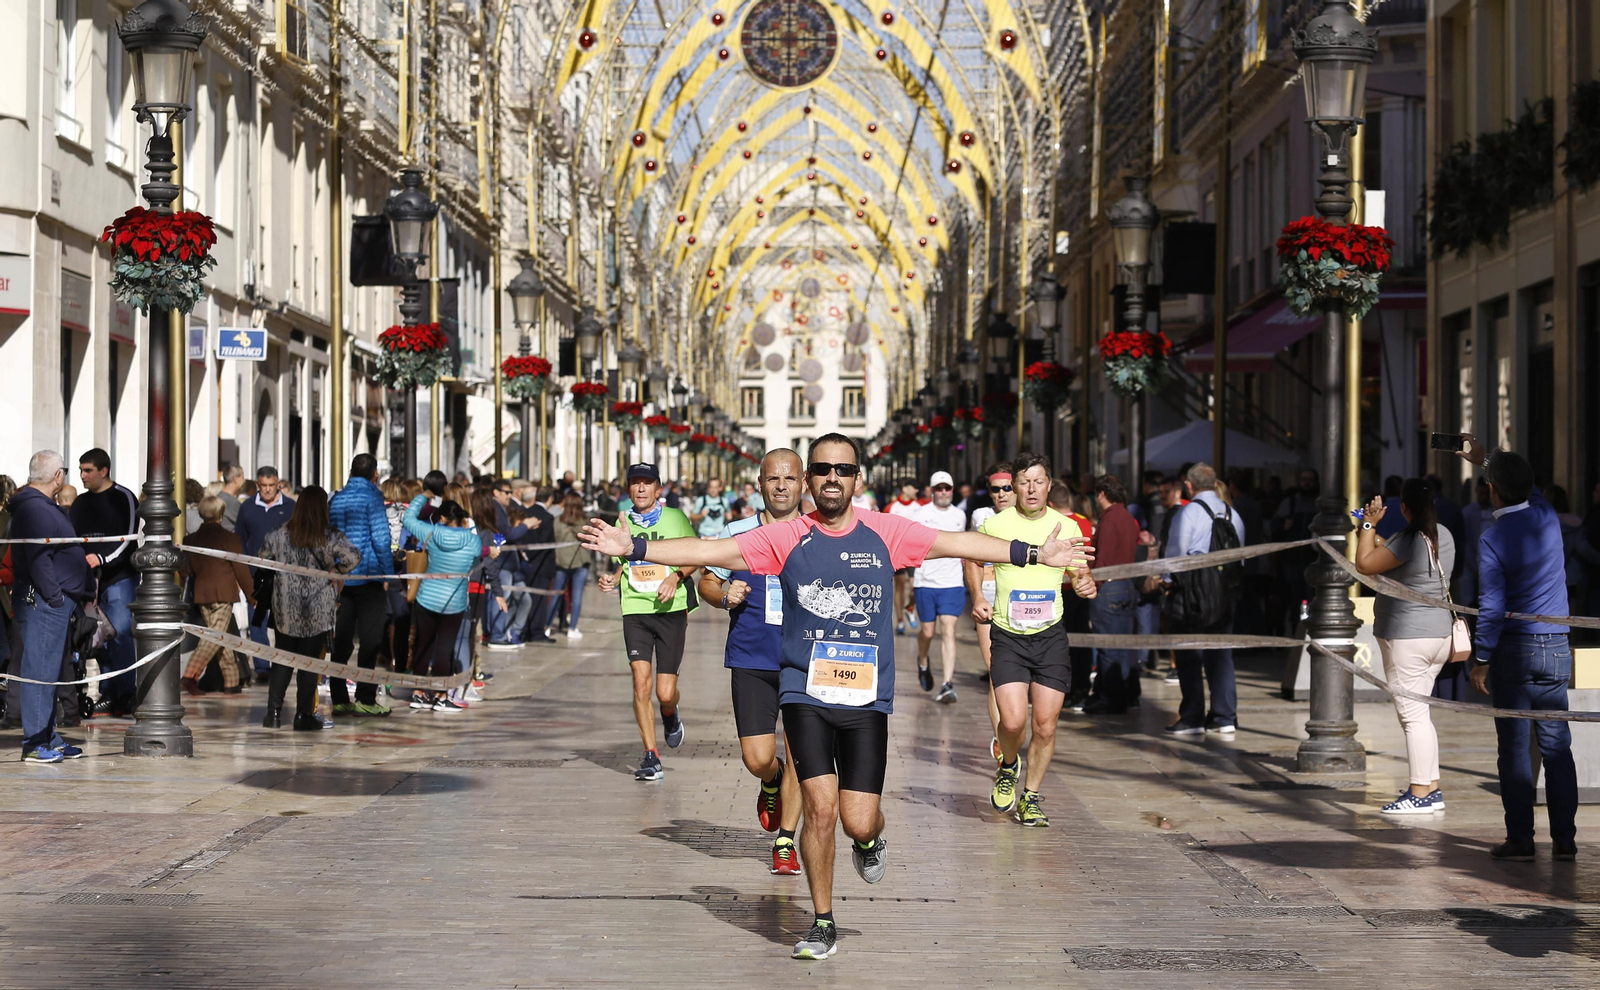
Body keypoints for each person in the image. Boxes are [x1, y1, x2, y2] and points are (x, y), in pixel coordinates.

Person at [577, 433, 1092, 961]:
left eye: (842, 470)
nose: (831, 479)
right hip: (805, 690)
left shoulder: (884, 532)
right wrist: (635, 548)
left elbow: (957, 543)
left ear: (857, 480)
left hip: (866, 700)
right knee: (820, 812)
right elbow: (710, 551)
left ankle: (870, 841)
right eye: (821, 469)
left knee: (856, 819)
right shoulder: (788, 536)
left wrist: (1035, 553)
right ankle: (822, 921)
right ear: (809, 480)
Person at [1462, 441, 1577, 862]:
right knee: (1556, 745)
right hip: (1555, 647)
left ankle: (1521, 838)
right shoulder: (1546, 517)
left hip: (1513, 651)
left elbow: (1492, 604)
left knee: (1513, 748)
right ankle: (1565, 839)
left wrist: (1482, 658)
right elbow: (1530, 487)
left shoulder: (1492, 538)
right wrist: (1489, 456)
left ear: (1491, 491)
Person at [698, 449, 807, 876]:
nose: (781, 486)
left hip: (804, 659)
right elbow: (707, 579)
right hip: (751, 655)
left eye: (790, 478)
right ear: (759, 484)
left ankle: (785, 841)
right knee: (757, 756)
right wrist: (724, 595)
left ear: (803, 485)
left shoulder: (817, 532)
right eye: (773, 478)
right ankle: (770, 780)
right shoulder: (738, 531)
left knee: (801, 754)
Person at [977, 453, 1098, 828]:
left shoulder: (1067, 526)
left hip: (1049, 636)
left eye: (1038, 481)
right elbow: (971, 560)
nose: (1031, 488)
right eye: (1024, 481)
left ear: (1049, 485)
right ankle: (1009, 766)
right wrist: (977, 596)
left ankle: (1030, 797)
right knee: (1013, 722)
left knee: (1045, 724)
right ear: (1013, 486)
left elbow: (1080, 573)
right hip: (1008, 634)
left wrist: (1084, 582)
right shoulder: (994, 525)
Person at [1355, 480, 1457, 814]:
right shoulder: (1443, 535)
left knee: (1412, 717)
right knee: (1421, 715)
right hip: (1438, 637)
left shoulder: (1408, 539)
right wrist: (1376, 538)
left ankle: (1419, 793)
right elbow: (1394, 558)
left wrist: (1367, 524)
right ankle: (1431, 787)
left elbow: (1365, 565)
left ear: (1404, 509)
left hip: (1407, 638)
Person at [597, 463, 699, 780]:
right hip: (635, 608)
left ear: (658, 489)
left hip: (670, 608)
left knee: (665, 692)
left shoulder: (676, 518)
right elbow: (625, 561)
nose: (641, 489)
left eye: (647, 484)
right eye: (635, 484)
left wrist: (676, 577)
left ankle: (670, 713)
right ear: (628, 490)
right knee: (641, 681)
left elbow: (696, 555)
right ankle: (651, 756)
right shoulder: (622, 520)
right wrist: (613, 578)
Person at [257, 486, 358, 730]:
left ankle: (273, 713)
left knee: (282, 658)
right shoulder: (330, 536)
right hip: (318, 606)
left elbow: (262, 557)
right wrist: (335, 572)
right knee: (309, 662)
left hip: (285, 604)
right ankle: (303, 715)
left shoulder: (280, 533)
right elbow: (353, 557)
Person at [10, 451, 89, 762]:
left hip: (54, 600)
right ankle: (34, 743)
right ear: (58, 477)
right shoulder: (35, 509)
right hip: (45, 602)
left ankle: (49, 736)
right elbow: (39, 558)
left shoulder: (42, 506)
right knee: (39, 672)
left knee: (50, 671)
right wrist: (55, 597)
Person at [1155, 462, 1246, 735]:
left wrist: (1167, 582)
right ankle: (1224, 715)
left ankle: (1193, 716)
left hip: (1191, 592)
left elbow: (1176, 553)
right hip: (1224, 592)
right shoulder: (1232, 513)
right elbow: (1240, 554)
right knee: (1221, 653)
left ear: (1189, 485)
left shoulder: (1189, 513)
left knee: (1188, 653)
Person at [69, 448, 139, 717]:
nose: (82, 476)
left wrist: (101, 557)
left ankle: (126, 693)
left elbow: (129, 538)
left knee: (119, 632)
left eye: (87, 470)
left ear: (103, 471)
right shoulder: (79, 504)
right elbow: (72, 538)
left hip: (119, 578)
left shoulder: (124, 498)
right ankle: (108, 692)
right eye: (80, 470)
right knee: (96, 638)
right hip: (87, 582)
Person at [400, 494, 484, 713]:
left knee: (423, 645)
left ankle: (418, 693)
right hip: (454, 602)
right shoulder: (473, 540)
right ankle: (440, 695)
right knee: (444, 649)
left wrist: (421, 497)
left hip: (427, 597)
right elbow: (476, 560)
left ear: (444, 518)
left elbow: (408, 519)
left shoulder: (432, 532)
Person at [326, 454, 395, 716]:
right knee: (370, 639)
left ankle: (340, 699)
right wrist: (388, 575)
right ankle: (365, 697)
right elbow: (380, 538)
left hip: (343, 578)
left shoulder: (337, 498)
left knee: (341, 640)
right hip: (368, 575)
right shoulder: (373, 498)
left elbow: (331, 537)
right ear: (375, 473)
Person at [179, 496, 255, 695]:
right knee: (215, 637)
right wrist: (253, 597)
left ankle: (231, 683)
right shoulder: (230, 539)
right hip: (223, 595)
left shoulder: (190, 539)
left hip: (202, 594)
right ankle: (189, 676)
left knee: (221, 637)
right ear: (221, 516)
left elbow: (184, 570)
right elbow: (241, 570)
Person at [964, 462, 1014, 761]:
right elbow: (971, 557)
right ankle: (1002, 744)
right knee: (997, 672)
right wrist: (978, 594)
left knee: (1016, 677)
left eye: (1006, 488)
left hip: (1017, 598)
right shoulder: (981, 516)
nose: (1001, 495)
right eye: (994, 489)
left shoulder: (1027, 519)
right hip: (990, 595)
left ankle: (1011, 731)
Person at [1085, 475, 1141, 714]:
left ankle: (1111, 697)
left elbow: (1104, 558)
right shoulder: (1128, 518)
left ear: (1101, 494)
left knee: (1108, 644)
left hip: (1110, 586)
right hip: (1127, 584)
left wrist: (1092, 587)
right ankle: (1126, 693)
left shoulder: (1109, 519)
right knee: (1124, 644)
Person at [912, 471, 968, 703]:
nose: (943, 492)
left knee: (948, 629)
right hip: (925, 582)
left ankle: (947, 684)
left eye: (947, 488)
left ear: (952, 490)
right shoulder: (920, 514)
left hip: (952, 583)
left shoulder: (960, 516)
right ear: (932, 491)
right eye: (939, 488)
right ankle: (923, 661)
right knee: (927, 632)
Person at [235, 467, 295, 670]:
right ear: (257, 485)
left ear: (278, 484)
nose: (268, 490)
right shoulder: (247, 508)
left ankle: (281, 665)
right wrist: (241, 572)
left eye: (272, 486)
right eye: (264, 486)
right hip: (256, 576)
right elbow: (240, 540)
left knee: (283, 622)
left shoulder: (290, 508)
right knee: (257, 622)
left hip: (284, 575)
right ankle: (261, 667)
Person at [540, 494, 592, 640]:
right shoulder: (583, 522)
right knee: (577, 597)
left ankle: (548, 625)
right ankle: (572, 627)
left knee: (556, 594)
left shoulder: (557, 521)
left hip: (561, 562)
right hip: (580, 561)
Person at [886, 482, 922, 634]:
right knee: (900, 585)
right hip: (897, 552)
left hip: (915, 552)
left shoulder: (919, 507)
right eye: (914, 486)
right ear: (905, 488)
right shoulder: (892, 507)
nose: (916, 489)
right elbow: (885, 528)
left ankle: (910, 607)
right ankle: (900, 620)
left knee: (916, 587)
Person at [216, 465, 246, 531]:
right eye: (242, 478)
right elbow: (246, 524)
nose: (244, 481)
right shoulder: (231, 502)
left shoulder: (219, 497)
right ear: (235, 479)